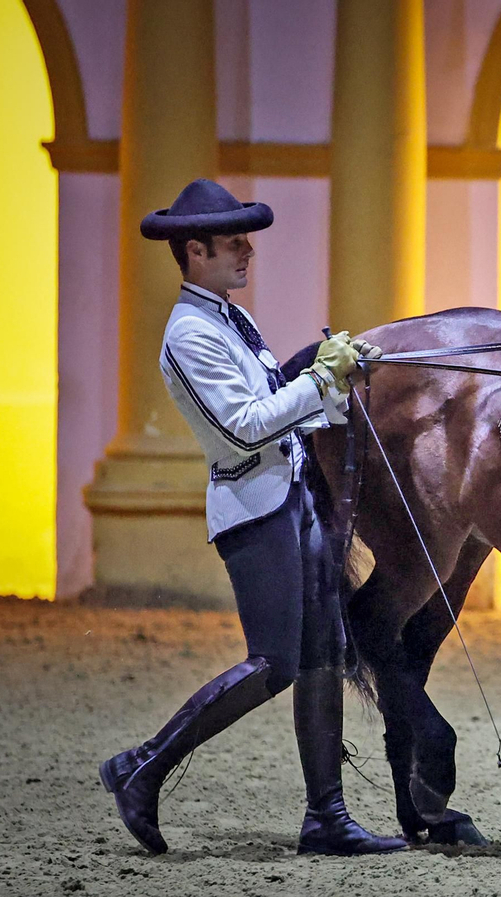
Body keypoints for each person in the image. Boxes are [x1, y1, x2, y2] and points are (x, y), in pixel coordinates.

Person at [98, 178, 405, 856]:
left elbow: (278, 405)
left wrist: (340, 381)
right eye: (234, 239)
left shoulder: (231, 318)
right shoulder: (189, 335)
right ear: (195, 249)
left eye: (247, 236)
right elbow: (241, 429)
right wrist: (320, 379)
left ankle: (326, 816)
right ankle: (142, 767)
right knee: (274, 663)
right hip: (252, 509)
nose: (248, 249)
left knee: (324, 650)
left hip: (289, 495)